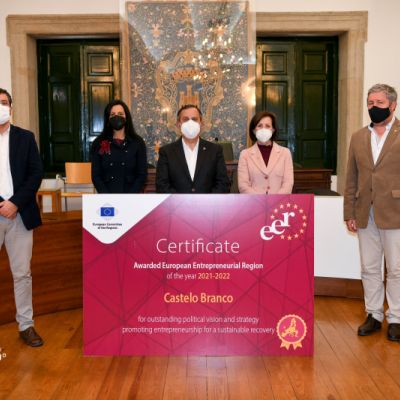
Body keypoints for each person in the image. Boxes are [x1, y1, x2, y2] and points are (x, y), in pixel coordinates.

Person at [344, 83, 400, 341]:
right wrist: (349, 212)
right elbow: (351, 178)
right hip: (364, 211)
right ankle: (374, 315)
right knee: (369, 267)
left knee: (396, 269)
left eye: (379, 103)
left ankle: (396, 318)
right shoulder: (358, 137)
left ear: (392, 105)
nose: (373, 107)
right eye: (370, 103)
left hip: (395, 211)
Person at [0, 88, 43, 346]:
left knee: (22, 274)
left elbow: (36, 173)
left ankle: (26, 325)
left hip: (20, 214)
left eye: (4, 102)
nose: (0, 107)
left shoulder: (25, 138)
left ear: (11, 108)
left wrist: (15, 203)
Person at [156, 104, 230, 193]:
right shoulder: (166, 152)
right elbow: (162, 185)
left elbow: (223, 183)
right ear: (178, 124)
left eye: (194, 119)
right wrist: (179, 201)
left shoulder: (215, 150)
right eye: (185, 119)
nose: (190, 123)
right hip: (176, 202)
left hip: (209, 202)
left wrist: (208, 200)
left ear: (201, 123)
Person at [91, 100, 147, 193]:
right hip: (107, 197)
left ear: (126, 117)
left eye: (120, 114)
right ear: (108, 118)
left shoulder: (138, 142)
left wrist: (131, 196)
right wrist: (107, 197)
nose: (117, 117)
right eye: (113, 114)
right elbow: (96, 176)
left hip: (131, 196)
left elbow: (142, 175)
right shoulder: (98, 143)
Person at [237, 111, 293, 194]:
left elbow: (288, 183)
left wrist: (275, 200)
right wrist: (260, 200)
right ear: (253, 130)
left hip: (279, 201)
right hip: (254, 201)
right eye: (259, 126)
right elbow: (243, 185)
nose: (263, 129)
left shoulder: (285, 153)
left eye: (267, 126)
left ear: (273, 130)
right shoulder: (245, 154)